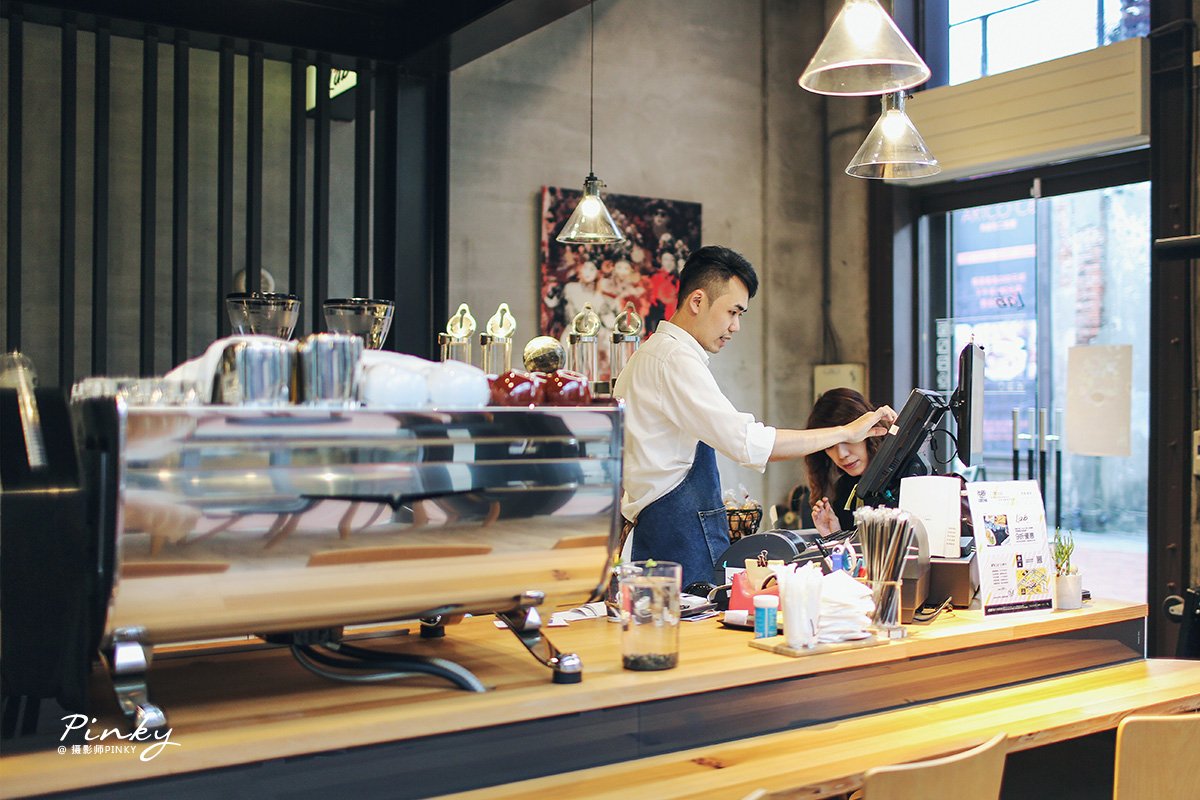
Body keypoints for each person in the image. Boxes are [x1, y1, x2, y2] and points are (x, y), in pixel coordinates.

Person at [612, 246, 895, 587]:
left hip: (659, 537)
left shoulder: (647, 356)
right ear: (697, 301)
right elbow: (750, 443)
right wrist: (845, 432)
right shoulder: (673, 359)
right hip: (676, 543)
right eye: (732, 312)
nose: (735, 326)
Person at [805, 388, 884, 537]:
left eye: (849, 440)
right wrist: (835, 535)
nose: (841, 454)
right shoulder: (843, 490)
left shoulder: (910, 475)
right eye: (830, 445)